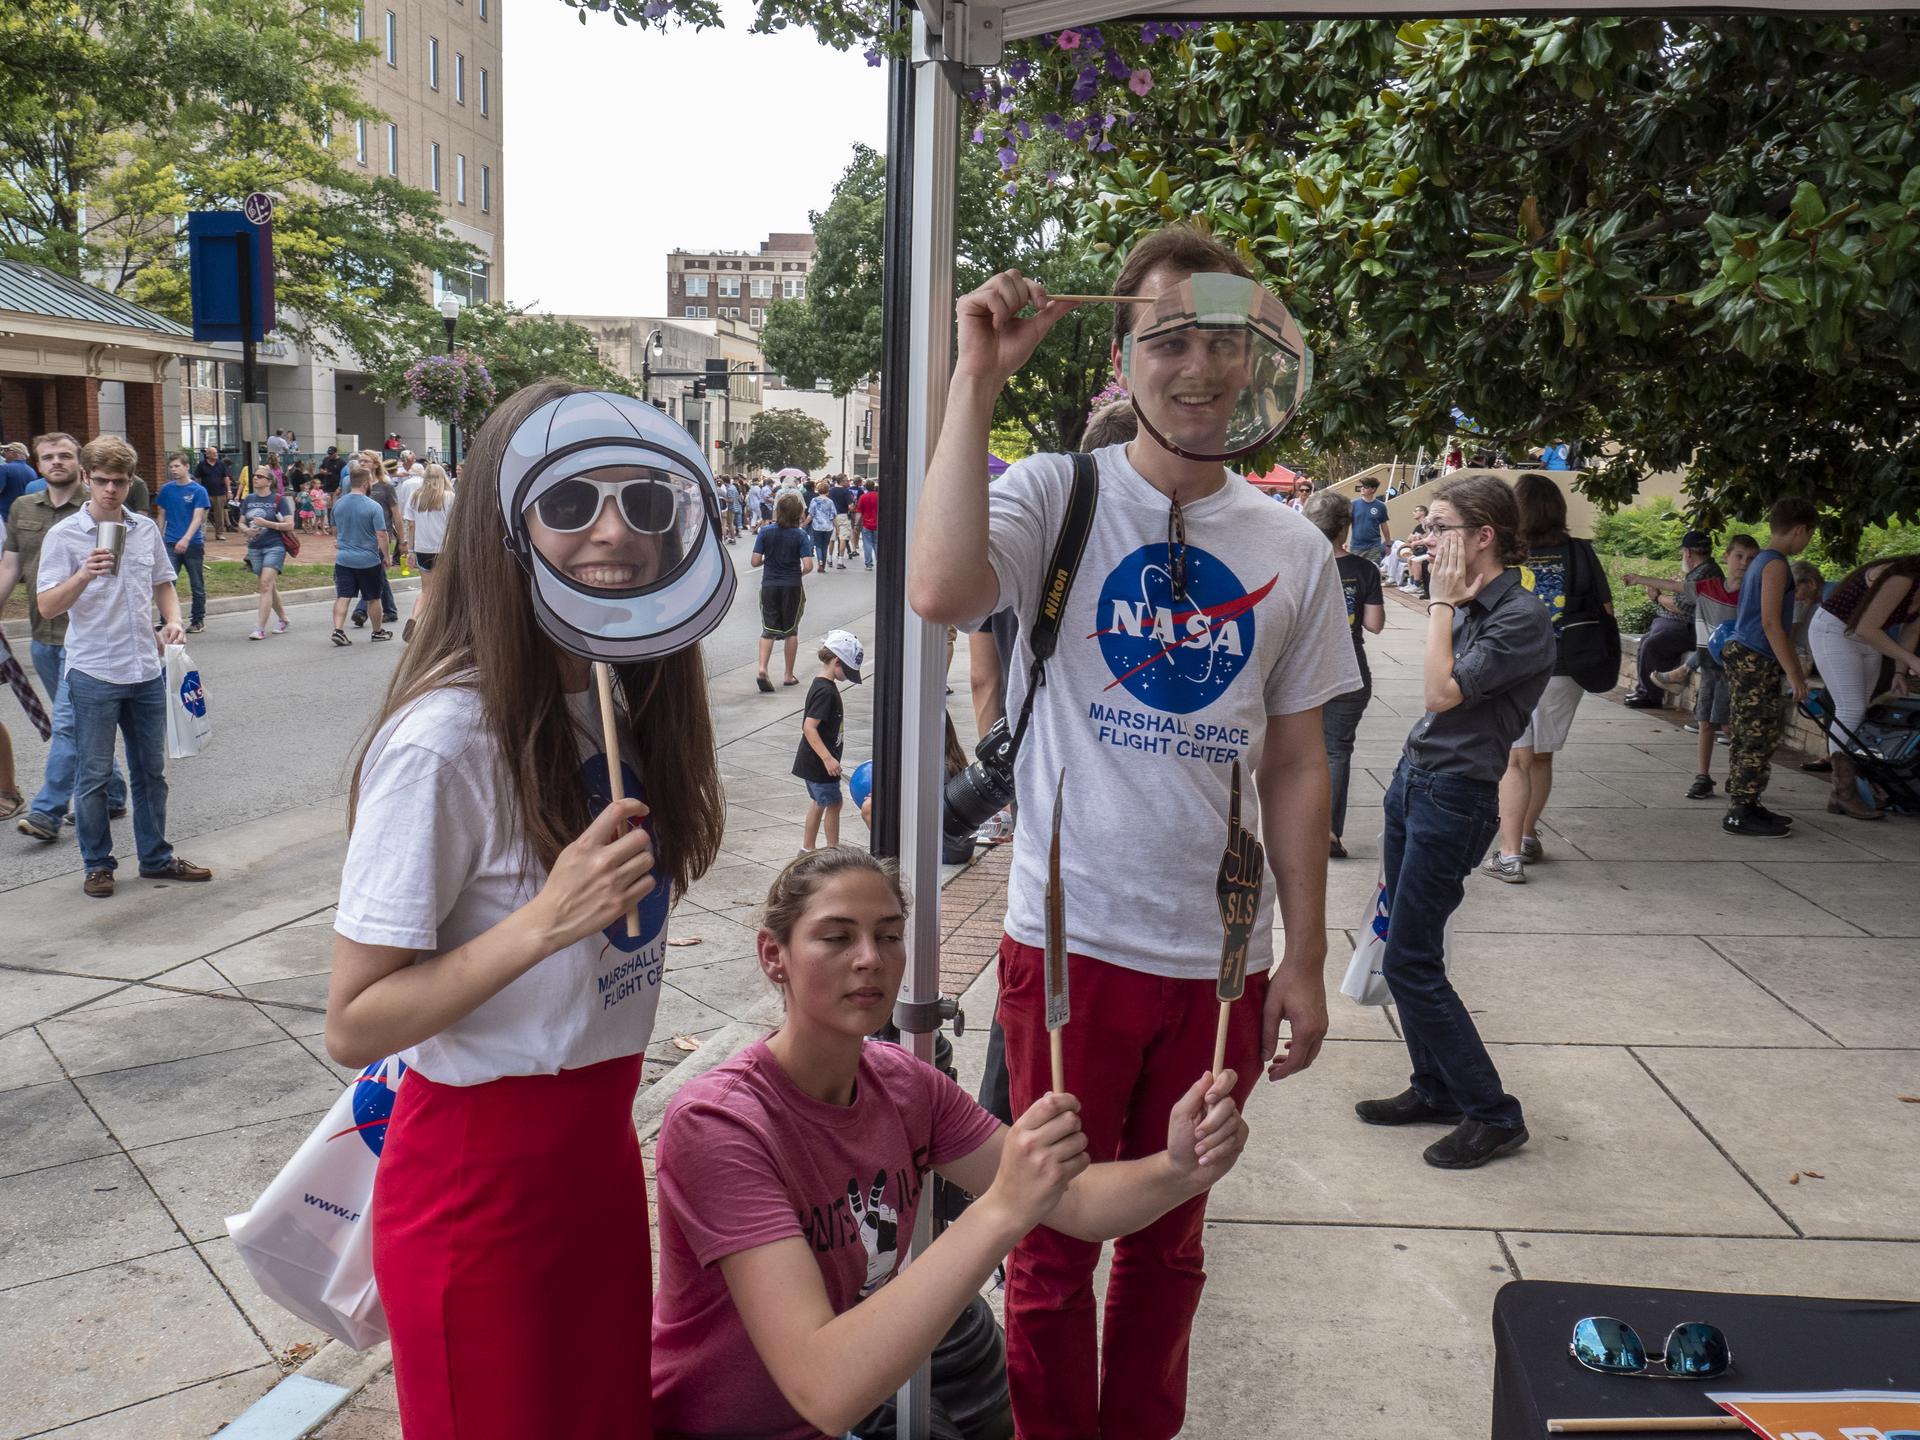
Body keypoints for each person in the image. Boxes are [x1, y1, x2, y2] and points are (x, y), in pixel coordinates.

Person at [908, 225, 1358, 1440]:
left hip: (1218, 964)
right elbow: (941, 590)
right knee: (1050, 1247)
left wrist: (1304, 955)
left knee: (1171, 1246)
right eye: (1168, 339)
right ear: (1124, 357)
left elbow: (1297, 762)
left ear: (1258, 359)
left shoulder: (1292, 549)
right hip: (1069, 952)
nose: (1197, 367)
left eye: (1222, 340)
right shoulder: (1059, 494)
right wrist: (976, 374)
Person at [325, 379, 728, 1440]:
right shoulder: (445, 741)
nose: (615, 531)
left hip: (598, 1163)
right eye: (570, 501)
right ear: (504, 523)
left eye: (644, 501)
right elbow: (354, 1020)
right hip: (481, 1194)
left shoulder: (615, 698)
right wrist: (545, 920)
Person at [650, 847, 1250, 1440]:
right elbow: (825, 1388)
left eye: (889, 936)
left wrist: (1180, 1167)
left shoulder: (902, 1084)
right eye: (836, 938)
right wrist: (1001, 1208)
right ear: (773, 956)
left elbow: (1077, 1204)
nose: (870, 959)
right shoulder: (720, 1124)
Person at [1360, 473, 1554, 1166]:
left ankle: (1493, 1112)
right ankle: (1435, 1086)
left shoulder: (1520, 617)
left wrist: (1440, 603)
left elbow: (1440, 693)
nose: (1425, 538)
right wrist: (1448, 601)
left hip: (1455, 796)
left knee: (1410, 959)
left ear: (1483, 536)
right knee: (1408, 945)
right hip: (1417, 781)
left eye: (1439, 527)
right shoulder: (1474, 601)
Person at [34, 436, 212, 897]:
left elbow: (163, 584)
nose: (110, 490)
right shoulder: (65, 535)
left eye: (118, 481)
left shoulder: (144, 529)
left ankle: (156, 858)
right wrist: (83, 573)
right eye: (101, 481)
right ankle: (97, 864)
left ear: (131, 481)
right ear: (87, 479)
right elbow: (47, 606)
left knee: (151, 773)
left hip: (145, 669)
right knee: (93, 776)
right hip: (93, 669)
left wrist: (173, 621)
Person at [1483, 473, 1611, 883]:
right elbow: (1605, 609)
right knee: (1541, 757)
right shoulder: (1579, 551)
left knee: (1514, 759)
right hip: (1566, 667)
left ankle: (1509, 855)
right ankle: (1527, 834)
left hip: (1513, 666)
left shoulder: (1504, 552)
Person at [4, 431, 129, 842]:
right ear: (37, 465)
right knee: (78, 724)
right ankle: (113, 793)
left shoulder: (102, 505)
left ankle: (47, 810)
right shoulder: (23, 508)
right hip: (43, 635)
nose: (56, 462)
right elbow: (10, 566)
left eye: (64, 455)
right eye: (48, 457)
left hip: (88, 638)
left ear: (81, 465)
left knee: (67, 726)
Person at [1717, 497, 1819, 837]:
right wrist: (1795, 673)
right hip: (1756, 656)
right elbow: (1772, 623)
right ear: (1800, 529)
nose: (1808, 542)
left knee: (1749, 731)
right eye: (1810, 535)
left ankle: (1747, 801)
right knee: (1757, 734)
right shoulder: (1775, 565)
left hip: (1747, 653)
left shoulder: (1762, 560)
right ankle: (1741, 810)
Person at [1807, 552, 1920, 819]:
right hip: (1835, 631)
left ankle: (1859, 786)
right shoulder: (1904, 577)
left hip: (1867, 640)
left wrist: (1900, 671)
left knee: (1860, 712)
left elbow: (1912, 630)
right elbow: (1867, 627)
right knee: (1851, 709)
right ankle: (1843, 792)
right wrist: (1910, 660)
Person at [1306, 491, 1383, 859]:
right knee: (1336, 751)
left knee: (1296, 751)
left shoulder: (1298, 563)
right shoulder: (1364, 570)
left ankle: (1294, 826)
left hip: (1303, 670)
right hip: (1349, 669)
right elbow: (1374, 624)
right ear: (1345, 527)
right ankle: (1330, 833)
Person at [1660, 535, 1757, 801]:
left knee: (1729, 725)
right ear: (1726, 557)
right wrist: (1638, 579)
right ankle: (1702, 776)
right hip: (1710, 666)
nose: (1743, 563)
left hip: (1735, 669)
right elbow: (1675, 586)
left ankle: (1741, 775)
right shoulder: (1709, 587)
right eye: (1739, 556)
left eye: (1750, 559)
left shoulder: (1753, 595)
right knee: (1705, 723)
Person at [1621, 531, 1722, 709]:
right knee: (1647, 640)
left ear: (1688, 553)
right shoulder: (1703, 570)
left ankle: (1651, 696)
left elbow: (1680, 606)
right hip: (1686, 625)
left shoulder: (1705, 573)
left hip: (1692, 628)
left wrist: (1656, 597)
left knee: (1652, 644)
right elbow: (1677, 590)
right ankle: (1644, 691)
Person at [794, 630, 864, 854]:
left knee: (820, 802)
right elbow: (809, 727)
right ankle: (834, 850)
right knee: (833, 803)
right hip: (819, 763)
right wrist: (828, 759)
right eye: (848, 670)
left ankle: (807, 848)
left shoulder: (822, 685)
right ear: (836, 661)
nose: (848, 676)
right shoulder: (826, 692)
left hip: (813, 761)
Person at [752, 491, 814, 691]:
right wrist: (798, 573)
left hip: (769, 585)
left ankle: (762, 668)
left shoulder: (765, 532)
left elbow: (754, 561)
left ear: (778, 511)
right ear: (798, 513)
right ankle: (788, 675)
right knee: (791, 631)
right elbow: (808, 565)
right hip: (792, 586)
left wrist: (767, 559)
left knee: (768, 630)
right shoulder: (800, 535)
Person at [330, 464, 391, 645]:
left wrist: (342, 540)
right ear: (365, 483)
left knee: (343, 596)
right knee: (373, 597)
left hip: (344, 559)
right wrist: (386, 556)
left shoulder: (338, 504)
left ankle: (338, 630)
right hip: (368, 560)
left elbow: (335, 529)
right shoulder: (373, 506)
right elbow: (381, 534)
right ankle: (377, 631)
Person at [153, 453, 210, 634]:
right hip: (170, 542)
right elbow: (161, 513)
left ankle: (198, 620)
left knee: (196, 584)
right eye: (171, 467)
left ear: (186, 467)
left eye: (177, 466)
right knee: (167, 581)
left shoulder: (198, 490)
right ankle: (166, 620)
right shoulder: (166, 489)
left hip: (192, 543)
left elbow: (198, 518)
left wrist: (186, 539)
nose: (174, 470)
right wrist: (160, 537)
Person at [238, 466, 294, 640]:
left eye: (260, 476)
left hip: (274, 546)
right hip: (255, 548)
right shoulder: (249, 499)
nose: (255, 478)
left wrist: (267, 524)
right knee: (268, 586)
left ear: (269, 481)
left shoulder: (278, 499)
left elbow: (290, 525)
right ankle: (283, 618)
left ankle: (259, 629)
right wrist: (246, 530)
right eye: (255, 476)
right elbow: (241, 522)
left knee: (264, 585)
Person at [402, 462, 453, 640]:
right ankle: (438, 628)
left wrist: (410, 550)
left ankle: (414, 618)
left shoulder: (416, 497)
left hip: (422, 549)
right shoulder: (449, 497)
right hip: (443, 549)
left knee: (426, 590)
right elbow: (454, 524)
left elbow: (411, 525)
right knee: (443, 590)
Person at [351, 461, 403, 629]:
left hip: (381, 535)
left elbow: (396, 513)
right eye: (360, 460)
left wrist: (402, 539)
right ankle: (390, 610)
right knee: (378, 574)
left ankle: (361, 610)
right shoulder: (355, 484)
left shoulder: (386, 486)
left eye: (365, 460)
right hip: (362, 535)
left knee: (372, 573)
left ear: (374, 464)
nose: (361, 463)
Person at [1348, 476, 1391, 568]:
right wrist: (1342, 542)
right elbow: (1346, 523)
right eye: (1362, 486)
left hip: (1374, 546)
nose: (1362, 488)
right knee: (1356, 571)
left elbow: (1384, 526)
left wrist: (1388, 544)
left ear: (1373, 489)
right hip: (1356, 546)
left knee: (1373, 570)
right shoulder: (1353, 504)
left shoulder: (1381, 506)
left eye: (1366, 486)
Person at [192, 446, 232, 538]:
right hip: (205, 493)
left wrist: (229, 491)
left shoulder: (221, 464)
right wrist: (197, 490)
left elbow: (226, 477)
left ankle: (219, 534)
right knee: (203, 515)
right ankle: (202, 534)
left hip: (219, 493)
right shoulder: (202, 464)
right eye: (213, 453)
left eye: (216, 453)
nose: (215, 454)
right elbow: (197, 478)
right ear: (208, 454)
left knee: (219, 514)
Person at [0, 441, 36, 522]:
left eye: (6, 451)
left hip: (4, 516)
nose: (4, 454)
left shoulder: (4, 469)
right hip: (23, 516)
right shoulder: (32, 471)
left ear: (13, 453)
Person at [807, 480, 838, 572]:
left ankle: (820, 563)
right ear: (828, 491)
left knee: (818, 546)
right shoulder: (830, 501)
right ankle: (823, 565)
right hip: (828, 527)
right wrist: (837, 527)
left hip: (817, 526)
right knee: (825, 546)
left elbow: (811, 514)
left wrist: (804, 523)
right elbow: (833, 516)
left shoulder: (814, 500)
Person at [828, 473, 856, 567]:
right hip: (843, 516)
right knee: (843, 538)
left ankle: (830, 559)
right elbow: (850, 507)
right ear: (842, 481)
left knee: (832, 539)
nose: (848, 482)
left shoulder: (831, 490)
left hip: (832, 516)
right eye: (846, 480)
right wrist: (854, 506)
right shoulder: (846, 491)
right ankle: (840, 561)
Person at [855, 480, 879, 570]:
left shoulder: (863, 497)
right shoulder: (879, 496)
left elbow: (859, 512)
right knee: (876, 543)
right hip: (877, 524)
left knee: (867, 544)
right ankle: (879, 562)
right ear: (874, 487)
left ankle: (868, 564)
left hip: (866, 524)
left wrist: (856, 524)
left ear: (865, 487)